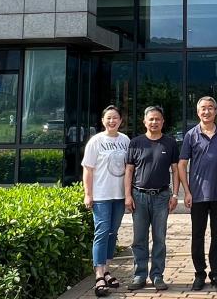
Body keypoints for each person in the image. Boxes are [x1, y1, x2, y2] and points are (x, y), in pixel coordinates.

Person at [178, 96, 217, 291]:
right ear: (198, 112)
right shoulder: (191, 135)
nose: (207, 111)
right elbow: (182, 164)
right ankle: (199, 273)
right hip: (197, 194)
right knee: (198, 234)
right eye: (203, 108)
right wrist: (186, 191)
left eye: (210, 108)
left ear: (216, 111)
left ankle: (216, 273)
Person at [124, 106, 180, 292]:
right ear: (145, 121)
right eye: (151, 119)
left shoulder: (170, 143)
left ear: (163, 122)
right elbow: (129, 171)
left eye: (158, 119)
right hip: (139, 196)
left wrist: (175, 195)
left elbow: (175, 171)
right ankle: (139, 275)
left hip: (161, 197)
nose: (154, 122)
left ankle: (157, 275)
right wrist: (127, 196)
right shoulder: (136, 143)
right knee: (139, 238)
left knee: (159, 238)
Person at [82, 105, 130, 297]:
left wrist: (128, 194)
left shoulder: (125, 140)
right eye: (108, 118)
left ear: (120, 120)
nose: (112, 121)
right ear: (103, 121)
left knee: (112, 233)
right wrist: (88, 194)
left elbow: (129, 168)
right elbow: (88, 169)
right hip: (101, 195)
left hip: (119, 195)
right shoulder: (96, 141)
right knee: (101, 233)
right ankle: (99, 275)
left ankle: (107, 270)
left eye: (115, 118)